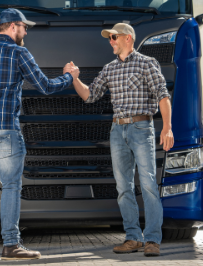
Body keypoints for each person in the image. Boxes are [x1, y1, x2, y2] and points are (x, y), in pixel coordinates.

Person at [0, 8, 79, 260]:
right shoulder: (18, 53)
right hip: (5, 130)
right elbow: (44, 86)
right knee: (10, 186)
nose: (26, 31)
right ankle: (11, 244)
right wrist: (68, 77)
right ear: (12, 27)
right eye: (24, 27)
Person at [71, 23, 174, 257]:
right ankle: (133, 238)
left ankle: (152, 240)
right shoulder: (109, 69)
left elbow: (163, 95)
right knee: (123, 187)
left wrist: (167, 127)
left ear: (128, 38)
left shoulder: (147, 63)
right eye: (109, 38)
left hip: (141, 127)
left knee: (147, 183)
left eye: (114, 37)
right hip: (117, 131)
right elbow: (90, 95)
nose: (110, 41)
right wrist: (75, 78)